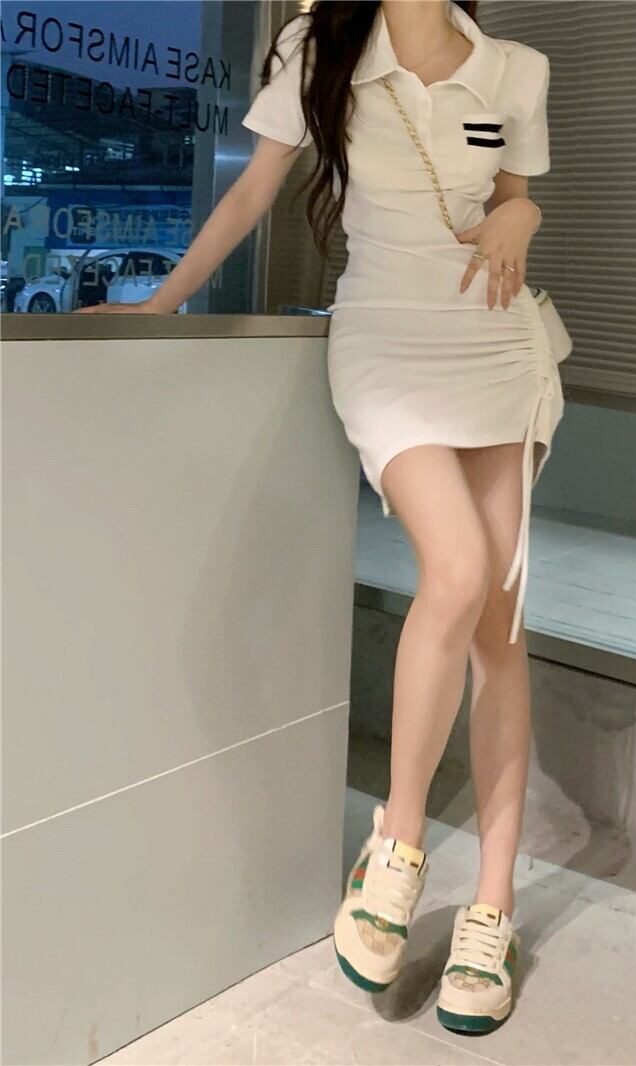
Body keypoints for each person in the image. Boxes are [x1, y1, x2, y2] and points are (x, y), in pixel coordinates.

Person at [76, 0, 564, 1036]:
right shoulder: (321, 49)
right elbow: (255, 184)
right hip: (386, 342)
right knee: (457, 570)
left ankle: (492, 909)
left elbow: (513, 197)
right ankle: (397, 845)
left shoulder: (514, 70)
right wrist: (162, 301)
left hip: (495, 346)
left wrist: (521, 216)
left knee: (500, 629)